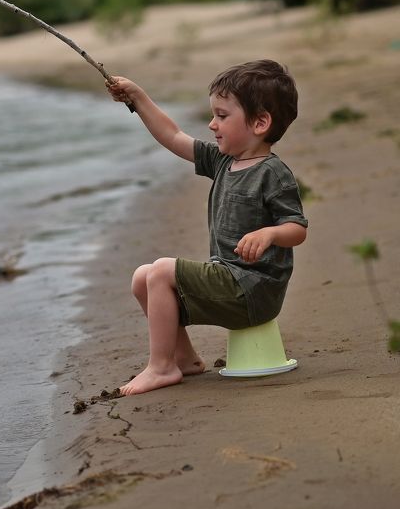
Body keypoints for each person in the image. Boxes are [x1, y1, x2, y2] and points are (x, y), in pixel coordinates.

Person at [105, 59, 308, 395]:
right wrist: (137, 98)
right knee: (143, 276)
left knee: (161, 271)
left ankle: (161, 366)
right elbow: (172, 135)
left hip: (253, 291)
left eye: (222, 116)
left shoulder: (273, 173)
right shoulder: (222, 161)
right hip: (227, 282)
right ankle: (184, 358)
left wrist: (269, 233)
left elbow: (297, 228)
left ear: (260, 123)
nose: (212, 124)